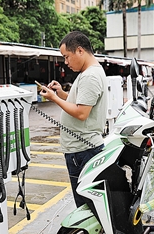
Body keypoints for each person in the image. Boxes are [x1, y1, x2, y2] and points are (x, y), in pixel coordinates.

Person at [39, 31, 108, 207]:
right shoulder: (89, 73)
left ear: (79, 50)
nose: (66, 62)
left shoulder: (90, 76)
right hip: (83, 148)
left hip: (83, 150)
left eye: (67, 57)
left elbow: (81, 113)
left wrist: (54, 98)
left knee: (86, 206)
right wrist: (61, 93)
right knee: (89, 203)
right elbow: (84, 102)